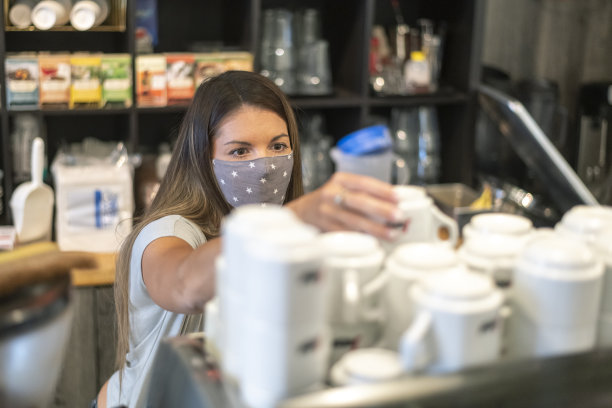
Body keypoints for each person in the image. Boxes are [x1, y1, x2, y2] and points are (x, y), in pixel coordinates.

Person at [96, 70, 402, 408]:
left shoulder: (286, 237)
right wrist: (293, 218)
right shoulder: (169, 231)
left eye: (277, 145)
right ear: (203, 158)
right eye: (240, 151)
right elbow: (183, 285)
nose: (265, 165)